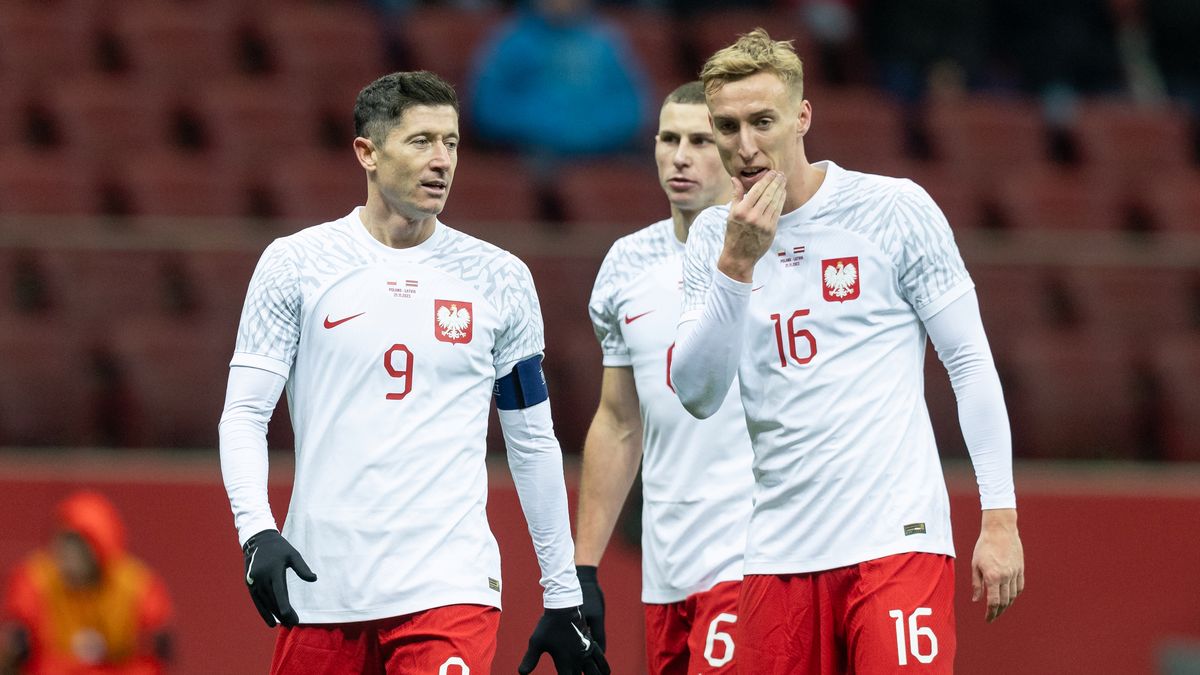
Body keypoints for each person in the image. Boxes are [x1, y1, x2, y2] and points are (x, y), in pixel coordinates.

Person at [217, 70, 608, 675]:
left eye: (451, 143)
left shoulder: (500, 278)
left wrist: (562, 593)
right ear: (367, 152)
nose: (442, 160)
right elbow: (244, 415)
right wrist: (256, 533)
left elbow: (533, 442)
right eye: (421, 141)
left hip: (448, 585)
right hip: (322, 586)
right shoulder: (296, 264)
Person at [670, 29, 1025, 674]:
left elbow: (970, 363)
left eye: (762, 122)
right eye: (727, 126)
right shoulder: (712, 242)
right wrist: (736, 267)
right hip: (778, 552)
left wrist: (999, 516)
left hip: (895, 541)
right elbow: (696, 394)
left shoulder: (893, 210)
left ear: (802, 117)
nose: (744, 147)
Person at [574, 81, 754, 674]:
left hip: (754, 550)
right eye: (668, 138)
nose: (680, 156)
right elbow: (618, 421)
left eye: (700, 141)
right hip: (668, 561)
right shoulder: (626, 263)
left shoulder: (774, 253)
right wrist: (583, 568)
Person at [0, 490, 173, 675]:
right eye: (61, 542)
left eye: (77, 546)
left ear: (101, 547)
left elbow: (151, 661)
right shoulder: (35, 581)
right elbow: (15, 654)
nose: (66, 555)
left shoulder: (137, 587)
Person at [468, 0, 649, 162]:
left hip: (601, 156)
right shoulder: (510, 42)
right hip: (527, 155)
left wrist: (586, 130)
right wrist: (546, 128)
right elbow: (486, 107)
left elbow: (633, 108)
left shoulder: (606, 43)